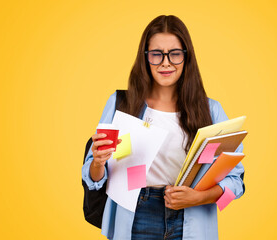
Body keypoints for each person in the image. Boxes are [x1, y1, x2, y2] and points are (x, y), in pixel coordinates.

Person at [82, 15, 245, 240]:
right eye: (156, 54)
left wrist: (199, 198)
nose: (165, 62)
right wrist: (98, 163)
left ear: (187, 58)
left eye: (175, 54)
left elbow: (237, 182)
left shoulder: (211, 111)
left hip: (192, 217)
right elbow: (93, 180)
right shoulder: (122, 104)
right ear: (145, 58)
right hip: (135, 215)